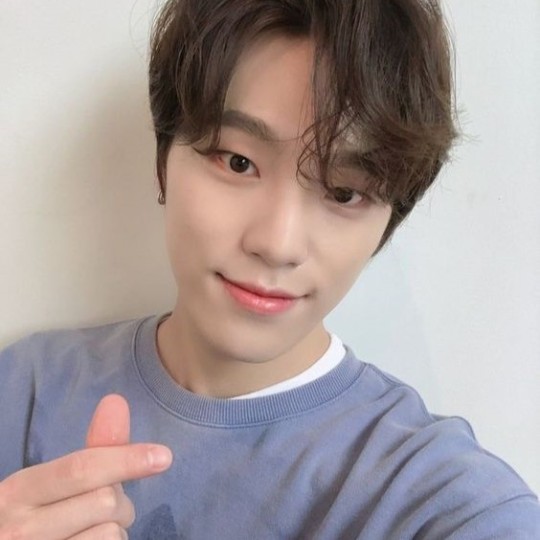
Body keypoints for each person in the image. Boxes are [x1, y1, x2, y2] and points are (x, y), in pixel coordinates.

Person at [1, 0, 539, 538]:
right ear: (164, 160)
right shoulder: (26, 389)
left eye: (344, 193)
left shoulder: (431, 493)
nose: (278, 245)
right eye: (238, 162)